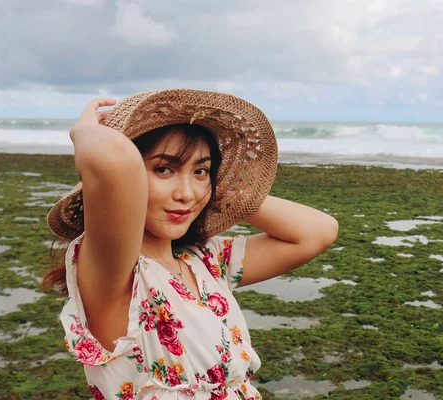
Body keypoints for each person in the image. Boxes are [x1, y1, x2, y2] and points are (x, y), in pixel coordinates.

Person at [43, 89, 338, 400]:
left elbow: (318, 231)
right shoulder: (114, 273)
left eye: (201, 170)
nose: (186, 192)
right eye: (163, 169)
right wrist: (86, 132)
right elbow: (115, 164)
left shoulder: (206, 261)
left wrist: (222, 192)